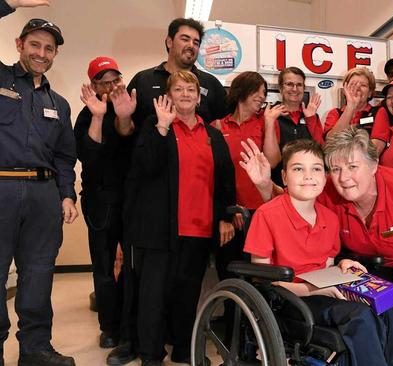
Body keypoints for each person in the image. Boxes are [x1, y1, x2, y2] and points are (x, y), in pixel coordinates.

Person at [240, 127, 393, 345]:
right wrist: (264, 184)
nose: (344, 178)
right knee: (368, 322)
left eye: (353, 166)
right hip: (363, 266)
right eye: (335, 169)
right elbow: (292, 203)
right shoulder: (328, 189)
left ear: (374, 165)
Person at [111, 17, 229, 365]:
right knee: (152, 296)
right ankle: (150, 354)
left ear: (200, 97)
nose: (186, 95)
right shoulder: (154, 125)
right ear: (168, 95)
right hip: (160, 229)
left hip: (197, 228)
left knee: (186, 295)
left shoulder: (212, 134)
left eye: (191, 91)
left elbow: (223, 179)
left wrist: (223, 215)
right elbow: (143, 167)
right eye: (178, 90)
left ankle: (184, 347)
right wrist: (162, 128)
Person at [0, 1, 77, 365]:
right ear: (19, 44)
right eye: (35, 45)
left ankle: (35, 349)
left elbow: (64, 157)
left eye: (49, 48)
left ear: (55, 54)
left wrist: (66, 195)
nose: (41, 54)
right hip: (1, 189)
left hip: (44, 196)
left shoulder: (59, 104)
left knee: (39, 275)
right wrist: (9, 3)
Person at [73, 56, 136, 350]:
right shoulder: (87, 116)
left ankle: (129, 325)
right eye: (104, 81)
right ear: (94, 85)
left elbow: (130, 138)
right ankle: (109, 327)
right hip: (100, 201)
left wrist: (123, 116)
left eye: (115, 80)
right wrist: (98, 116)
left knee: (132, 266)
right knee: (104, 266)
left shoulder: (128, 108)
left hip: (131, 200)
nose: (111, 86)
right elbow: (89, 157)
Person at [211, 71, 282, 281]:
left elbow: (272, 161)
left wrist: (269, 123)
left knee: (260, 273)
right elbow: (215, 175)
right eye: (257, 92)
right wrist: (227, 213)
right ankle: (231, 313)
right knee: (229, 271)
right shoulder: (217, 126)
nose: (261, 97)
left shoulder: (265, 123)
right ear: (242, 90)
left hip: (261, 210)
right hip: (230, 210)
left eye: (264, 93)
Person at [270, 66, 324, 186]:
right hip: (278, 185)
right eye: (289, 84)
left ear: (304, 88)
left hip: (308, 183)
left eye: (299, 85)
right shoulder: (270, 115)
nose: (294, 89)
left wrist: (311, 118)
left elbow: (320, 150)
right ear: (280, 88)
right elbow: (271, 160)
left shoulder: (312, 115)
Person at [323, 67, 390, 154]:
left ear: (370, 93)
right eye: (353, 84)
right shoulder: (335, 113)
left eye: (363, 85)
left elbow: (375, 150)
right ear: (345, 90)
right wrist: (350, 107)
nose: (357, 88)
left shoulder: (379, 112)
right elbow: (331, 143)